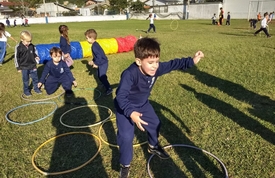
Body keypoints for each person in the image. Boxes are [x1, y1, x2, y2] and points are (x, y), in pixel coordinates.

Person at [114, 37, 204, 178]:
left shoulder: (156, 69)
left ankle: (153, 146)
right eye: (150, 63)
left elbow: (173, 64)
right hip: (125, 107)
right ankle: (125, 165)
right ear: (138, 61)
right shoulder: (129, 74)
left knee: (155, 124)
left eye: (156, 61)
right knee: (126, 137)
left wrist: (192, 61)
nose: (155, 66)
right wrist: (131, 113)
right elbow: (120, 96)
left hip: (142, 104)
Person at [84, 29, 113, 95]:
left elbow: (99, 56)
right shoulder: (95, 44)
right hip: (101, 62)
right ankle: (103, 83)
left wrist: (96, 64)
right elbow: (96, 56)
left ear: (92, 38)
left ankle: (109, 88)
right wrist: (93, 61)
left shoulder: (94, 46)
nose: (86, 40)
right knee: (98, 75)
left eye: (87, 38)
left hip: (103, 63)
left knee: (102, 76)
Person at [14, 30, 41, 96]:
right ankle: (26, 91)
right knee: (26, 80)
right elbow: (16, 58)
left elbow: (34, 52)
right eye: (27, 41)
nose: (29, 43)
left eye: (30, 41)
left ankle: (36, 88)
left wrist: (36, 56)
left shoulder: (32, 46)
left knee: (35, 78)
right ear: (22, 39)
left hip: (32, 65)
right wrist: (18, 67)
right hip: (24, 67)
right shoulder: (18, 47)